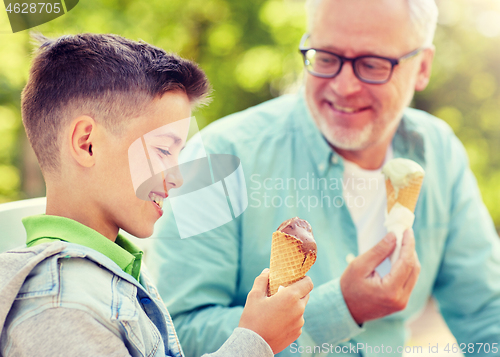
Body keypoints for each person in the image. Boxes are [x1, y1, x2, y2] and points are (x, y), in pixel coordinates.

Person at [149, 0, 500, 356]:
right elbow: (177, 332)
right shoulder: (218, 157)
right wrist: (340, 309)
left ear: (422, 66)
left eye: (372, 64)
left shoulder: (439, 152)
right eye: (327, 57)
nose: (344, 87)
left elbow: (487, 313)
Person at [0, 33, 314, 357]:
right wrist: (254, 341)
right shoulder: (60, 306)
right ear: (86, 143)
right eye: (163, 149)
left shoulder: (114, 270)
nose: (176, 178)